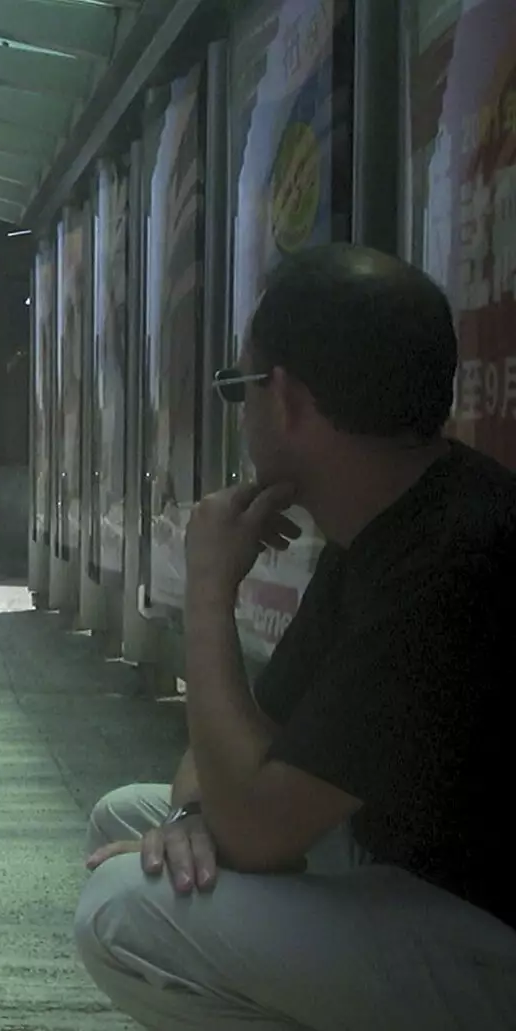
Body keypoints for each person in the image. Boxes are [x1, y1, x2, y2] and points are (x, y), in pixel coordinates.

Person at [74, 242, 516, 1030]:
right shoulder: (393, 521)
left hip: (486, 938)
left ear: (285, 401)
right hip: (411, 875)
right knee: (132, 818)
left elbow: (256, 827)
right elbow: (215, 775)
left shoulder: (455, 557)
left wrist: (208, 594)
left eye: (237, 388)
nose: (240, 414)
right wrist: (191, 823)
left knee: (122, 912)